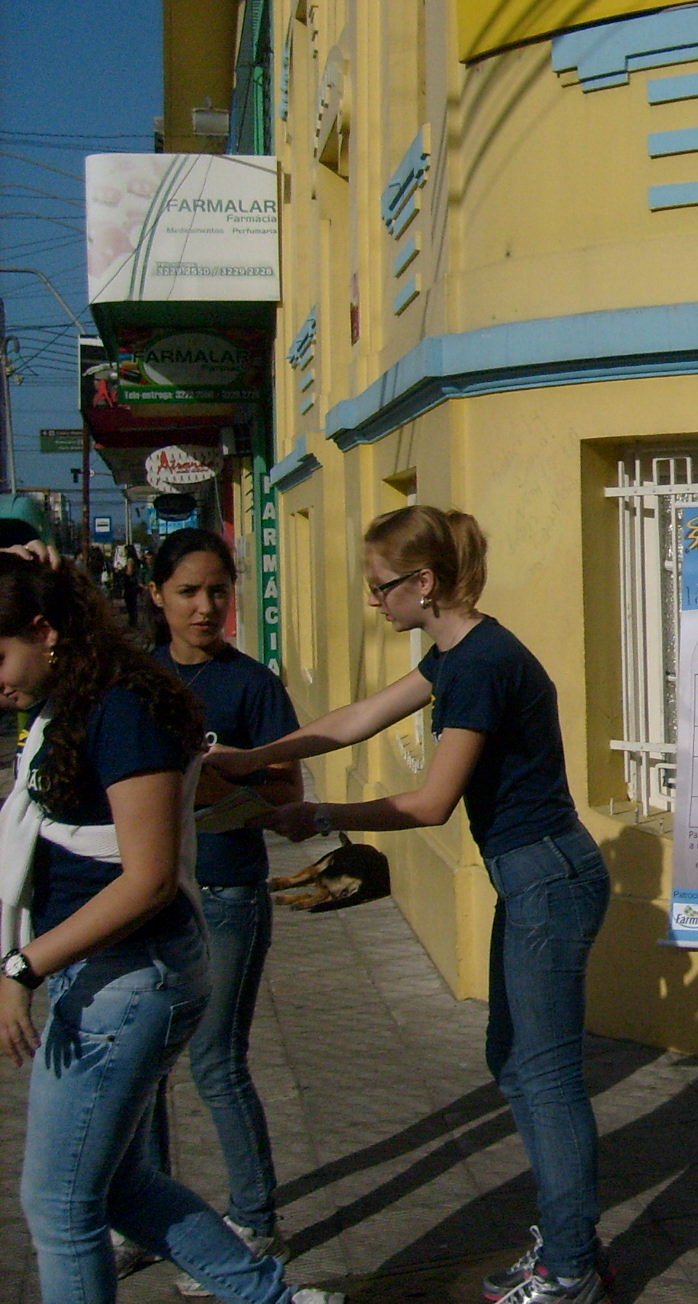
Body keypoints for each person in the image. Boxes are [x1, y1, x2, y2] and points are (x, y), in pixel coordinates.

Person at [206, 508, 610, 1304]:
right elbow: (358, 719)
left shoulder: (482, 665)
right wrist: (259, 756)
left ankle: (571, 1268)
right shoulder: (456, 655)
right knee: (513, 1061)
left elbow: (431, 803)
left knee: (543, 1074)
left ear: (424, 582)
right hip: (533, 875)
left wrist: (320, 815)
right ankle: (571, 1240)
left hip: (548, 878)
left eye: (380, 585)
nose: (374, 600)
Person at [0, 551, 339, 1304]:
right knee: (118, 1187)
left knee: (59, 1206)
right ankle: (274, 1299)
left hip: (130, 976)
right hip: (106, 973)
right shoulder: (77, 693)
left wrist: (21, 967)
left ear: (45, 632)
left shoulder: (125, 707)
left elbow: (148, 878)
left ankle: (265, 1262)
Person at [145, 529, 303, 1291]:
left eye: (218, 591)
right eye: (187, 592)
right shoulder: (136, 681)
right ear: (157, 596)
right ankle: (144, 1214)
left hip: (228, 893)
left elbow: (287, 791)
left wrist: (220, 787)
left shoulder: (253, 686)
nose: (205, 607)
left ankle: (254, 1219)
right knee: (143, 1063)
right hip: (147, 898)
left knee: (214, 1061)